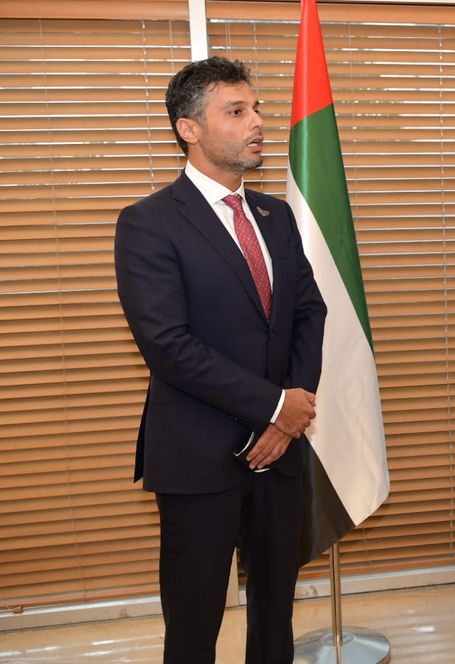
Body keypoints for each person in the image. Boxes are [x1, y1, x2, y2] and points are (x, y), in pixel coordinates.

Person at [114, 57, 327, 664]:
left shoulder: (276, 215)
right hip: (197, 458)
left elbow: (309, 313)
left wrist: (289, 416)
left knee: (275, 618)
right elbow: (169, 347)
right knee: (194, 624)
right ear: (189, 129)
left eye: (256, 108)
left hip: (280, 456)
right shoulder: (148, 223)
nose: (257, 122)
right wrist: (276, 407)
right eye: (236, 111)